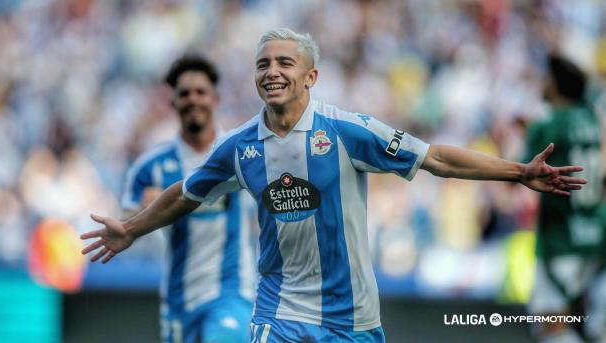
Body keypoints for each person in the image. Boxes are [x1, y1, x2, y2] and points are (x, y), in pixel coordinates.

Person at [81, 29, 586, 342]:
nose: (272, 71)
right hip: (276, 316)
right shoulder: (240, 147)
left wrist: (518, 172)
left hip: (352, 320)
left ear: (311, 76)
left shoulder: (346, 131)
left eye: (284, 63)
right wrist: (130, 228)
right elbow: (185, 193)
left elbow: (435, 158)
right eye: (263, 63)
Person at [119, 55, 255, 343]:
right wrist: (143, 214)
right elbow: (123, 230)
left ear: (215, 99)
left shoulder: (241, 152)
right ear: (173, 104)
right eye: (184, 94)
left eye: (201, 92)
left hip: (231, 292)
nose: (193, 100)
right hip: (179, 300)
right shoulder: (150, 167)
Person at [524, 54, 606, 343]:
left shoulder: (547, 123)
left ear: (557, 85)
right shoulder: (591, 117)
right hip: (595, 230)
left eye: (547, 77)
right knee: (591, 321)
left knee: (551, 323)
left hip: (561, 236)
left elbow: (524, 173)